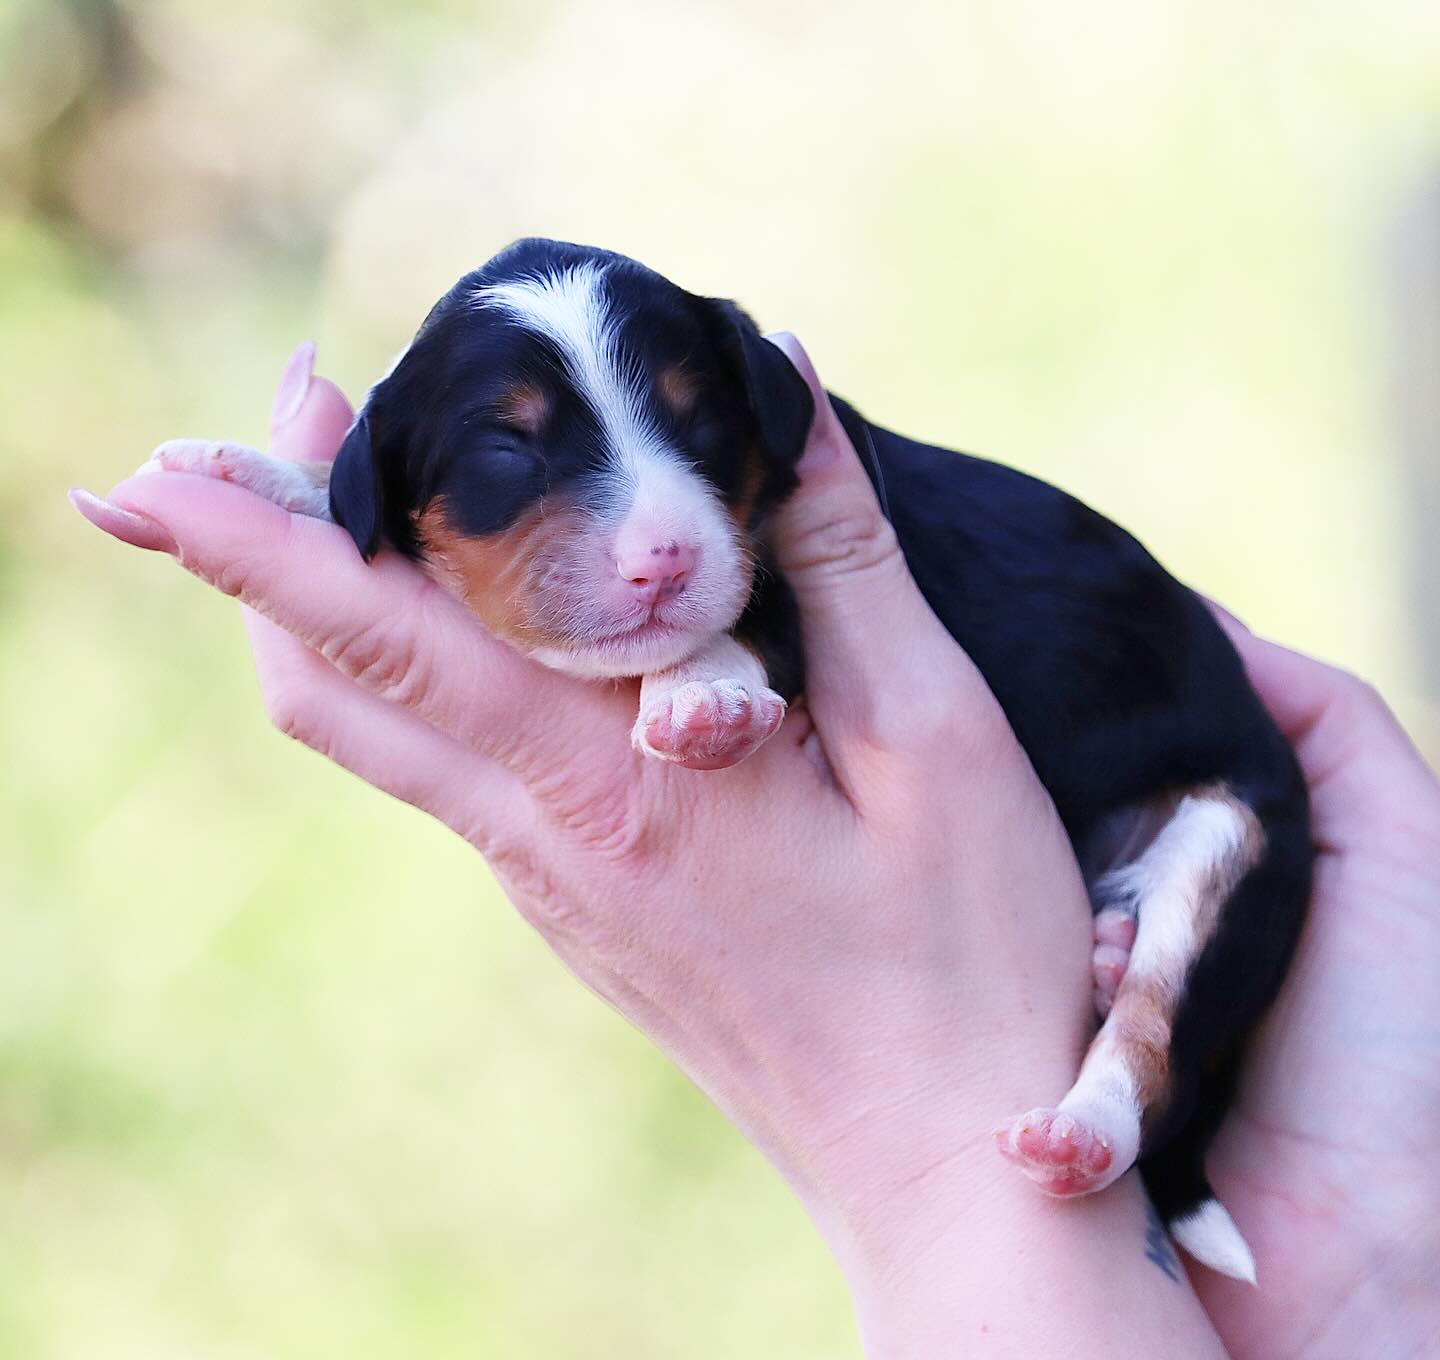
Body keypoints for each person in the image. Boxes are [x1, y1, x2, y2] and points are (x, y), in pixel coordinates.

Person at [71, 336, 1440, 1358]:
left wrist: (923, 1164)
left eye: (689, 441)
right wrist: (1380, 1284)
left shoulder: (802, 523)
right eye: (507, 456)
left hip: (1174, 820)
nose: (654, 540)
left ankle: (1124, 1090)